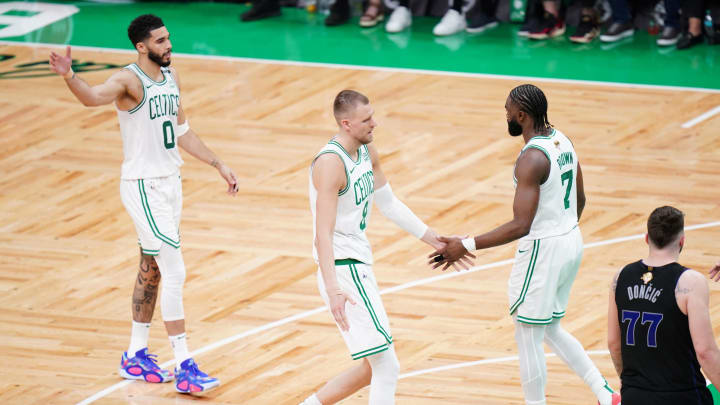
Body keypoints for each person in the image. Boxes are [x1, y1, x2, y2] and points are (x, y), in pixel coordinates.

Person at [48, 14, 238, 394]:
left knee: (151, 267)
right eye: (161, 41)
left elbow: (181, 130)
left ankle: (135, 354)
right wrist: (70, 76)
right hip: (143, 186)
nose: (168, 46)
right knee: (176, 269)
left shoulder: (171, 78)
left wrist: (217, 162)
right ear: (141, 46)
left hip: (170, 185)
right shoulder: (127, 80)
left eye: (168, 38)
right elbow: (92, 98)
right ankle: (184, 364)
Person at [429, 84, 621, 405]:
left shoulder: (531, 158)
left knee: (528, 334)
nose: (505, 115)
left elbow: (521, 225)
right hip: (571, 239)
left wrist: (466, 244)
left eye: (508, 111)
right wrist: (563, 229)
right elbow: (581, 198)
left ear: (521, 115)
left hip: (544, 250)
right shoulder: (562, 140)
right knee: (549, 328)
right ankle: (604, 393)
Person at [301, 90, 473, 405]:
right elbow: (321, 234)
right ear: (346, 123)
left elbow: (389, 204)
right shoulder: (330, 164)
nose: (374, 124)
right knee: (387, 366)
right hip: (343, 270)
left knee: (372, 368)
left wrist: (436, 239)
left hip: (358, 265)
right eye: (367, 120)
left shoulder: (367, 153)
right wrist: (333, 287)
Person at [608, 206, 720, 404]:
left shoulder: (621, 277)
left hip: (635, 396)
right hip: (681, 396)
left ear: (646, 238)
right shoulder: (690, 282)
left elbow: (614, 344)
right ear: (682, 241)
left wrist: (630, 384)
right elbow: (705, 352)